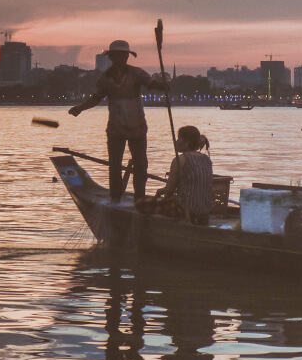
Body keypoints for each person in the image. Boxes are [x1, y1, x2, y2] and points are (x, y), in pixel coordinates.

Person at [68, 39, 169, 203]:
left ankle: (140, 198)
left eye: (124, 55)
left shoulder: (137, 73)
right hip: (116, 128)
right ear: (112, 57)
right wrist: (80, 108)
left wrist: (162, 85)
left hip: (137, 127)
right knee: (115, 165)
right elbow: (96, 98)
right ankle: (115, 197)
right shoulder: (105, 78)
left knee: (140, 164)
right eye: (119, 55)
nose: (122, 58)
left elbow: (151, 83)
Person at [139, 125, 213, 225]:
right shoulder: (206, 159)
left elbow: (169, 190)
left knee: (141, 204)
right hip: (205, 209)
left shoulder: (180, 160)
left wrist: (162, 198)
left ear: (187, 143)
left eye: (179, 139)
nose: (176, 142)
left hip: (186, 209)